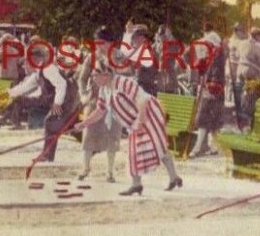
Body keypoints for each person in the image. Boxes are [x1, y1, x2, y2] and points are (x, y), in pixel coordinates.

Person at [75, 68, 182, 196]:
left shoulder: (123, 82)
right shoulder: (104, 90)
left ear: (106, 75)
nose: (93, 79)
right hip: (134, 120)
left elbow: (143, 99)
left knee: (153, 146)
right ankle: (164, 179)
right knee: (144, 148)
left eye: (95, 75)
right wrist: (84, 123)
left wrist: (140, 122)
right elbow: (100, 111)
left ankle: (142, 184)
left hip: (149, 113)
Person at [6, 45, 79, 162]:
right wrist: (10, 93)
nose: (25, 64)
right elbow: (26, 86)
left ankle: (47, 155)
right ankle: (48, 154)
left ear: (35, 59)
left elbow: (61, 84)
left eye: (27, 60)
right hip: (60, 99)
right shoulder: (39, 72)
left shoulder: (48, 68)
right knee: (59, 124)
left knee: (51, 122)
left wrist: (57, 103)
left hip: (67, 98)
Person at [77, 26, 121, 182]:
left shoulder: (119, 56)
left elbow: (128, 77)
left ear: (110, 43)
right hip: (95, 100)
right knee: (88, 133)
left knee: (113, 136)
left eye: (101, 42)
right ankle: (85, 168)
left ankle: (109, 172)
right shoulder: (91, 57)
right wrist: (83, 95)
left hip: (114, 102)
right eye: (96, 42)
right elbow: (82, 79)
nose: (98, 45)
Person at [188, 31, 225, 158]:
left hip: (213, 91)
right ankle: (213, 147)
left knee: (205, 119)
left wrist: (210, 83)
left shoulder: (217, 55)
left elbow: (215, 72)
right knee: (211, 120)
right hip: (212, 90)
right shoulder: (214, 53)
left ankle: (199, 148)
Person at [234, 26, 260, 127]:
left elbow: (236, 55)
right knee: (250, 96)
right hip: (250, 73)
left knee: (240, 97)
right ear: (257, 36)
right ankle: (248, 120)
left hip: (240, 71)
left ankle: (239, 119)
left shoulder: (242, 43)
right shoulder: (255, 46)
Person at [120, 21, 158, 96]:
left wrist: (128, 33)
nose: (133, 41)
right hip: (141, 91)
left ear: (142, 38)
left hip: (145, 92)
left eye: (135, 37)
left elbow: (123, 60)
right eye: (133, 38)